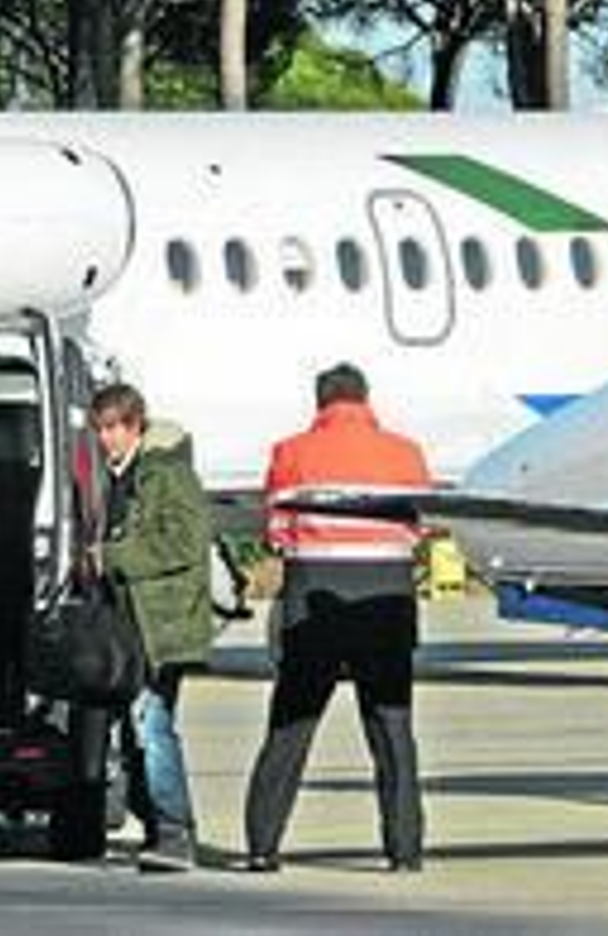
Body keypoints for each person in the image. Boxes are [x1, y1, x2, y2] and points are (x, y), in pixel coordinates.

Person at [242, 362, 432, 874]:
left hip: (314, 604)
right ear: (366, 400)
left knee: (290, 728)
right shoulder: (406, 452)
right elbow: (419, 529)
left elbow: (277, 531)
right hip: (386, 605)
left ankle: (263, 845)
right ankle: (405, 849)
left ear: (320, 403)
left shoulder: (291, 452)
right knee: (392, 732)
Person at [89, 382, 212, 873]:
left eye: (115, 428)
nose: (106, 438)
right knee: (137, 729)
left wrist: (111, 558)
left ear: (136, 425)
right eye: (100, 429)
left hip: (159, 628)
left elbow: (187, 541)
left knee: (152, 726)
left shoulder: (164, 474)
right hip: (131, 626)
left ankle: (175, 831)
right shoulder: (117, 476)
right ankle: (160, 826)